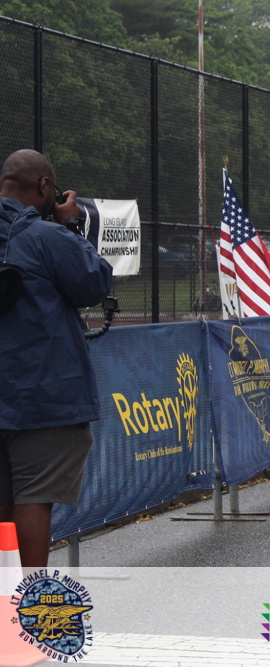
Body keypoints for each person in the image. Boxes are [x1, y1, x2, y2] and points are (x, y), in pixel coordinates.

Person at [0, 149, 113, 567]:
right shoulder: (45, 236)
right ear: (45, 186)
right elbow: (93, 284)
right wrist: (70, 225)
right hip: (41, 396)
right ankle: (28, 601)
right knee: (34, 497)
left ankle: (3, 599)